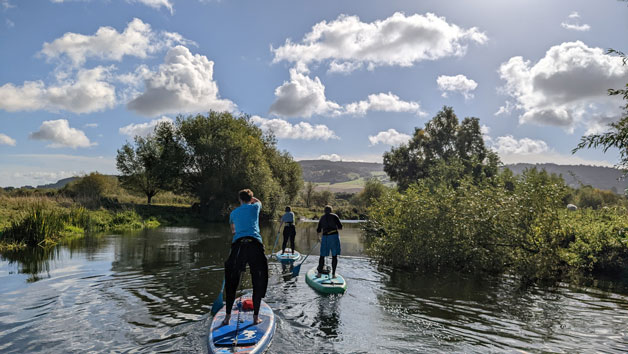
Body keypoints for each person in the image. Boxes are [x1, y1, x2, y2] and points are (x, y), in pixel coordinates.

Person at [222, 189, 268, 325]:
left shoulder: (233, 213)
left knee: (231, 280)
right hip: (255, 245)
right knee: (259, 279)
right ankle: (255, 318)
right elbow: (259, 201)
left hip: (239, 246)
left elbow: (233, 230)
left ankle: (227, 317)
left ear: (239, 200)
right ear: (251, 199)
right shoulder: (255, 207)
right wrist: (253, 199)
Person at [316, 205, 343, 278]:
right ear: (331, 211)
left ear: (324, 211)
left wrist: (318, 238)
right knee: (334, 256)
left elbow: (318, 230)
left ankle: (319, 274)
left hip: (325, 237)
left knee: (322, 256)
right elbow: (340, 227)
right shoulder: (335, 216)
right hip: (334, 237)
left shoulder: (322, 217)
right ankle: (333, 274)